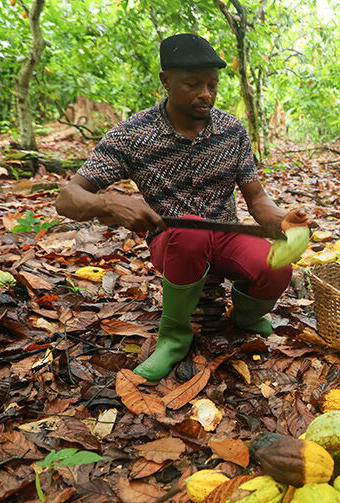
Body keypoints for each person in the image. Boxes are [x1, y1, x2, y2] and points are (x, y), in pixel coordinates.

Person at [56, 33, 309, 382]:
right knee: (191, 233)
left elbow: (257, 199)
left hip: (226, 235)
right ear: (166, 81)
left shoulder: (232, 131)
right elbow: (67, 198)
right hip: (173, 240)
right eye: (192, 84)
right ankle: (174, 339)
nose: (205, 94)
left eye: (212, 84)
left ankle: (248, 317)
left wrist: (283, 220)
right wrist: (110, 201)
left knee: (277, 268)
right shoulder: (133, 134)